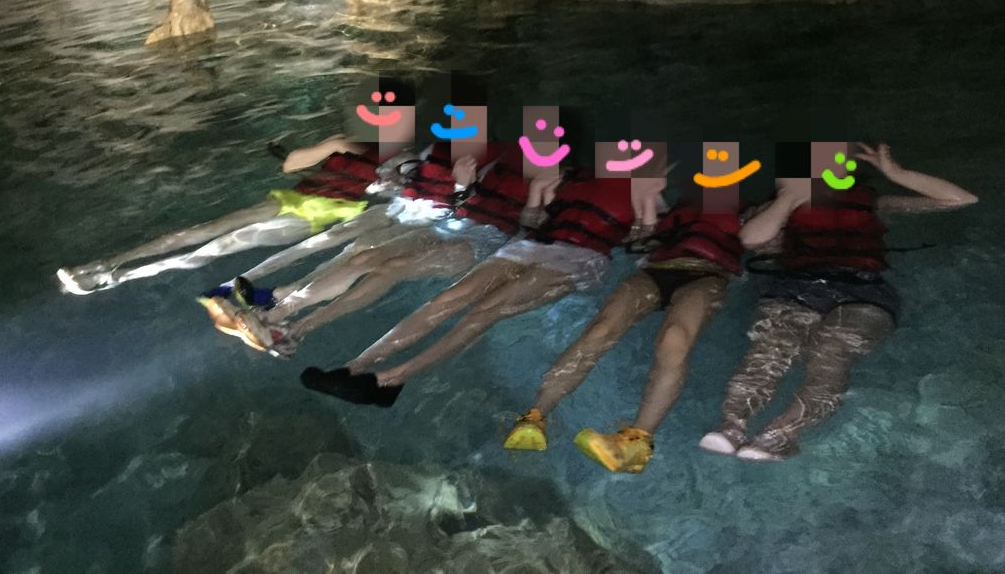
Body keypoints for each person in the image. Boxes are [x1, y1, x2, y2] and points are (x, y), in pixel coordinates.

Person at [698, 142, 977, 461]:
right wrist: (789, 198)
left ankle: (780, 435)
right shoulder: (773, 209)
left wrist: (897, 174)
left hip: (865, 290)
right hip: (795, 287)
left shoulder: (874, 204)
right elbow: (751, 240)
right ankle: (731, 427)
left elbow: (960, 199)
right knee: (772, 348)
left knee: (831, 351)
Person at [299, 166, 655, 408]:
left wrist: (641, 227)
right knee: (452, 297)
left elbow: (641, 245)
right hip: (535, 244)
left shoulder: (647, 193)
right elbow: (529, 220)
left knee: (485, 310)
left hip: (582, 258)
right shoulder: (571, 178)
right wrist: (538, 197)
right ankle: (354, 367)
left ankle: (392, 378)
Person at [202, 142, 540, 357]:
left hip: (480, 240)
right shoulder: (486, 152)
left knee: (390, 269)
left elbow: (528, 221)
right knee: (364, 257)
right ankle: (274, 317)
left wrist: (466, 189)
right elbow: (438, 192)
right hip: (446, 224)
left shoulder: (541, 177)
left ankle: (296, 331)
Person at [502, 198, 743, 474]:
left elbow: (763, 244)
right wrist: (644, 219)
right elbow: (636, 235)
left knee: (675, 338)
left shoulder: (748, 207)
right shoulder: (672, 203)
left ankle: (637, 442)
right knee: (601, 328)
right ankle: (534, 418)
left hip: (709, 274)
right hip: (656, 269)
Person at [56, 135, 411, 295]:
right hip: (291, 198)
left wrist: (388, 181)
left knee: (214, 248)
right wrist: (336, 145)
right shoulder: (355, 145)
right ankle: (103, 264)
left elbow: (395, 194)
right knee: (192, 233)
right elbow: (292, 166)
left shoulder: (402, 170)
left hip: (309, 218)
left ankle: (116, 277)